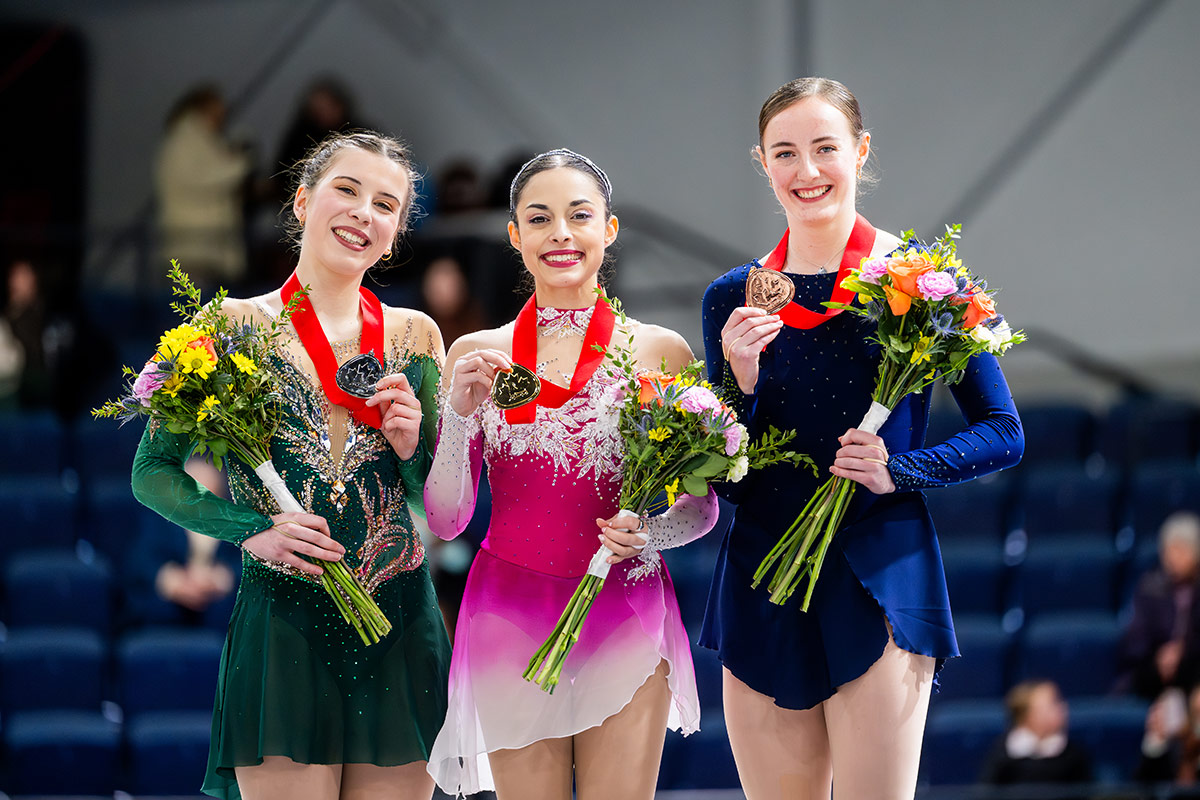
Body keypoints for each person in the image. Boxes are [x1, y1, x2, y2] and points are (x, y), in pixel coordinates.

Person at [699, 77, 1024, 799]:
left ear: (860, 150)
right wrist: (742, 384)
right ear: (762, 162)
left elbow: (1004, 432)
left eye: (824, 148)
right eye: (785, 153)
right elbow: (721, 474)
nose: (806, 171)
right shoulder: (732, 296)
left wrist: (900, 469)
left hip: (879, 565)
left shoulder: (925, 284)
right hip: (762, 574)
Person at [131, 131, 451, 800]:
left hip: (401, 625)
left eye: (385, 203)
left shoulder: (416, 335)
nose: (365, 212)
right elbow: (152, 473)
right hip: (284, 625)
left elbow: (439, 506)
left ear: (393, 235)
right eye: (348, 190)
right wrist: (249, 529)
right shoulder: (228, 327)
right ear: (302, 201)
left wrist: (413, 445)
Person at [423, 149, 720, 799]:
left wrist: (650, 535)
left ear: (608, 230)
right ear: (515, 236)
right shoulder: (476, 356)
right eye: (540, 218)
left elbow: (702, 511)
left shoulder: (660, 351)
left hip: (626, 610)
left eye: (579, 215)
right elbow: (447, 518)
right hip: (509, 615)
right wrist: (456, 416)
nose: (560, 232)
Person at [154, 85, 253, 290]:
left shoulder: (202, 140)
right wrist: (239, 165)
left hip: (206, 245)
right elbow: (199, 179)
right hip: (193, 244)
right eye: (217, 113)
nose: (221, 119)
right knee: (192, 311)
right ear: (203, 110)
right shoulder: (185, 141)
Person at [1121, 512, 1200, 699]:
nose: (1173, 558)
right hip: (1154, 676)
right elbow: (1134, 642)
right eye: (1168, 550)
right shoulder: (1149, 587)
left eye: (1180, 550)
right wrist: (1160, 657)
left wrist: (1184, 650)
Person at [980, 680, 1092, 786]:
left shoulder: (1073, 754)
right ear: (1026, 714)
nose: (1063, 707)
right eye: (1053, 703)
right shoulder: (1002, 755)